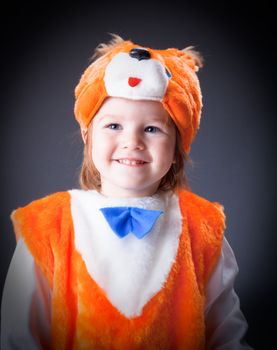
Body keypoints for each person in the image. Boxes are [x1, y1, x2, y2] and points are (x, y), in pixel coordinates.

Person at [1, 34, 253, 349]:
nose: (132, 142)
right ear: (87, 134)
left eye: (152, 129)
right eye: (113, 126)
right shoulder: (45, 228)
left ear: (177, 145)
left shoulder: (203, 229)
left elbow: (226, 335)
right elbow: (19, 339)